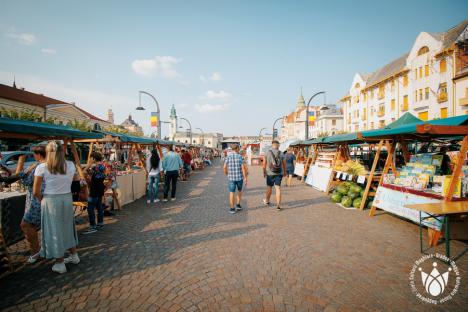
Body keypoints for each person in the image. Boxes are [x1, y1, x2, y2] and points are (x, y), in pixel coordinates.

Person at [33, 141, 79, 274]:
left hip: (51, 199)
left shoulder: (42, 167)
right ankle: (74, 255)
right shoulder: (70, 165)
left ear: (48, 152)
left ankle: (59, 263)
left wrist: (43, 200)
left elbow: (36, 191)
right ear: (62, 151)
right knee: (68, 227)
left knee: (54, 230)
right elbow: (75, 181)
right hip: (66, 198)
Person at [18, 146, 47, 263]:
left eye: (34, 154)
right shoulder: (50, 165)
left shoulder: (38, 167)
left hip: (37, 200)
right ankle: (39, 251)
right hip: (45, 198)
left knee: (25, 224)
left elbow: (25, 181)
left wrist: (21, 162)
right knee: (34, 225)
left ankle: (36, 252)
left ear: (38, 155)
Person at [82, 152, 108, 235]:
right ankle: (100, 223)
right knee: (99, 206)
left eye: (91, 158)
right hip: (100, 187)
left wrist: (88, 164)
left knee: (90, 208)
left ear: (93, 158)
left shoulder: (93, 167)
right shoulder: (103, 166)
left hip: (94, 189)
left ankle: (93, 226)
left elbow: (84, 172)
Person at [263, 140, 287, 210]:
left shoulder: (267, 152)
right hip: (279, 173)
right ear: (278, 145)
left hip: (270, 173)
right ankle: (278, 206)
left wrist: (264, 172)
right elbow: (284, 164)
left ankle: (267, 201)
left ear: (272, 145)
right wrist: (285, 172)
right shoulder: (281, 153)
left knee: (269, 187)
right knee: (278, 188)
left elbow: (264, 164)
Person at [223, 144, 247, 214]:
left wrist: (226, 173)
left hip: (231, 178)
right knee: (239, 191)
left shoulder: (228, 156)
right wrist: (245, 177)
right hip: (239, 178)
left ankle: (232, 208)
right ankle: (238, 205)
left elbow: (224, 167)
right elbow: (243, 168)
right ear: (237, 149)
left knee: (231, 192)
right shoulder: (240, 157)